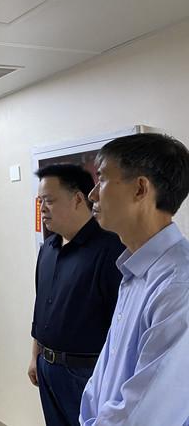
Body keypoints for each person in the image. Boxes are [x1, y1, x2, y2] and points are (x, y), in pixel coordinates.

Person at [80, 133, 189, 425]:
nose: (92, 194)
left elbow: (146, 414)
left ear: (140, 188)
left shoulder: (179, 285)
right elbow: (105, 375)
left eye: (102, 179)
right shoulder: (135, 272)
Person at [29, 164, 124, 426]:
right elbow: (41, 306)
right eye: (40, 202)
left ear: (78, 199)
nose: (42, 209)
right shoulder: (48, 248)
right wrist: (35, 355)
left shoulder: (110, 249)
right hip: (47, 367)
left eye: (49, 201)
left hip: (87, 373)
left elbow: (120, 323)